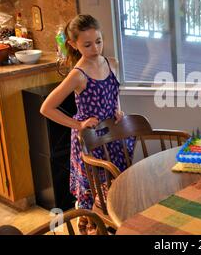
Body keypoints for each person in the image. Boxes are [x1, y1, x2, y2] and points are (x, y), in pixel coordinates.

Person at [40, 14, 134, 234]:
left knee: (114, 189)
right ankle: (91, 227)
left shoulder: (111, 63)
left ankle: (110, 225)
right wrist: (77, 124)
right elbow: (46, 108)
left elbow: (114, 93)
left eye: (99, 41)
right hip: (91, 141)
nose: (96, 48)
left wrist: (118, 109)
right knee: (93, 193)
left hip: (112, 137)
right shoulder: (77, 75)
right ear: (73, 44)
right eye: (87, 44)